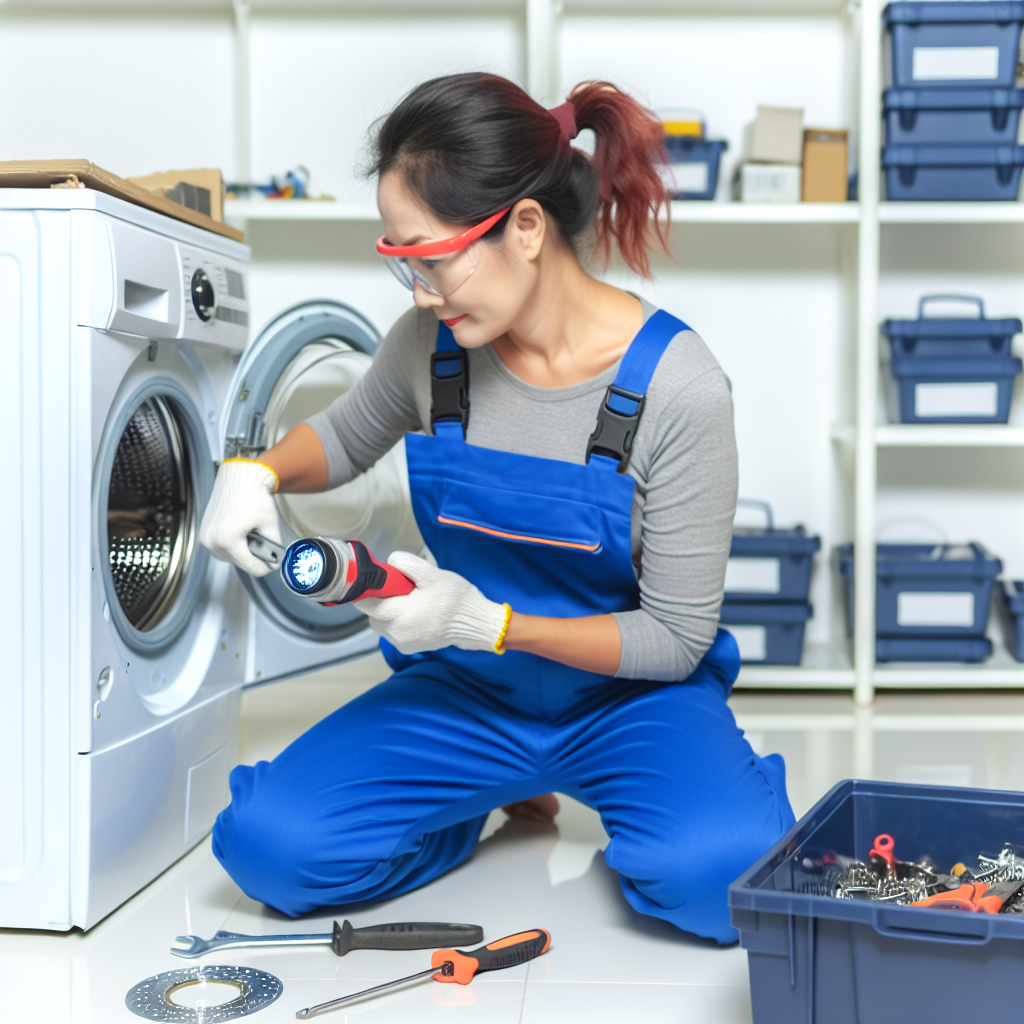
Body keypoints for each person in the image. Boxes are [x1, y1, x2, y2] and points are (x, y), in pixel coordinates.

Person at [201, 73, 795, 945]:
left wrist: (490, 623)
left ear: (524, 227)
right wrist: (255, 471)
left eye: (432, 258)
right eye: (401, 261)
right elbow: (345, 433)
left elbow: (674, 638)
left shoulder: (679, 387)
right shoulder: (431, 348)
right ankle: (462, 808)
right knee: (269, 851)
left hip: (630, 698)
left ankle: (637, 821)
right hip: (469, 692)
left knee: (726, 882)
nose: (420, 293)